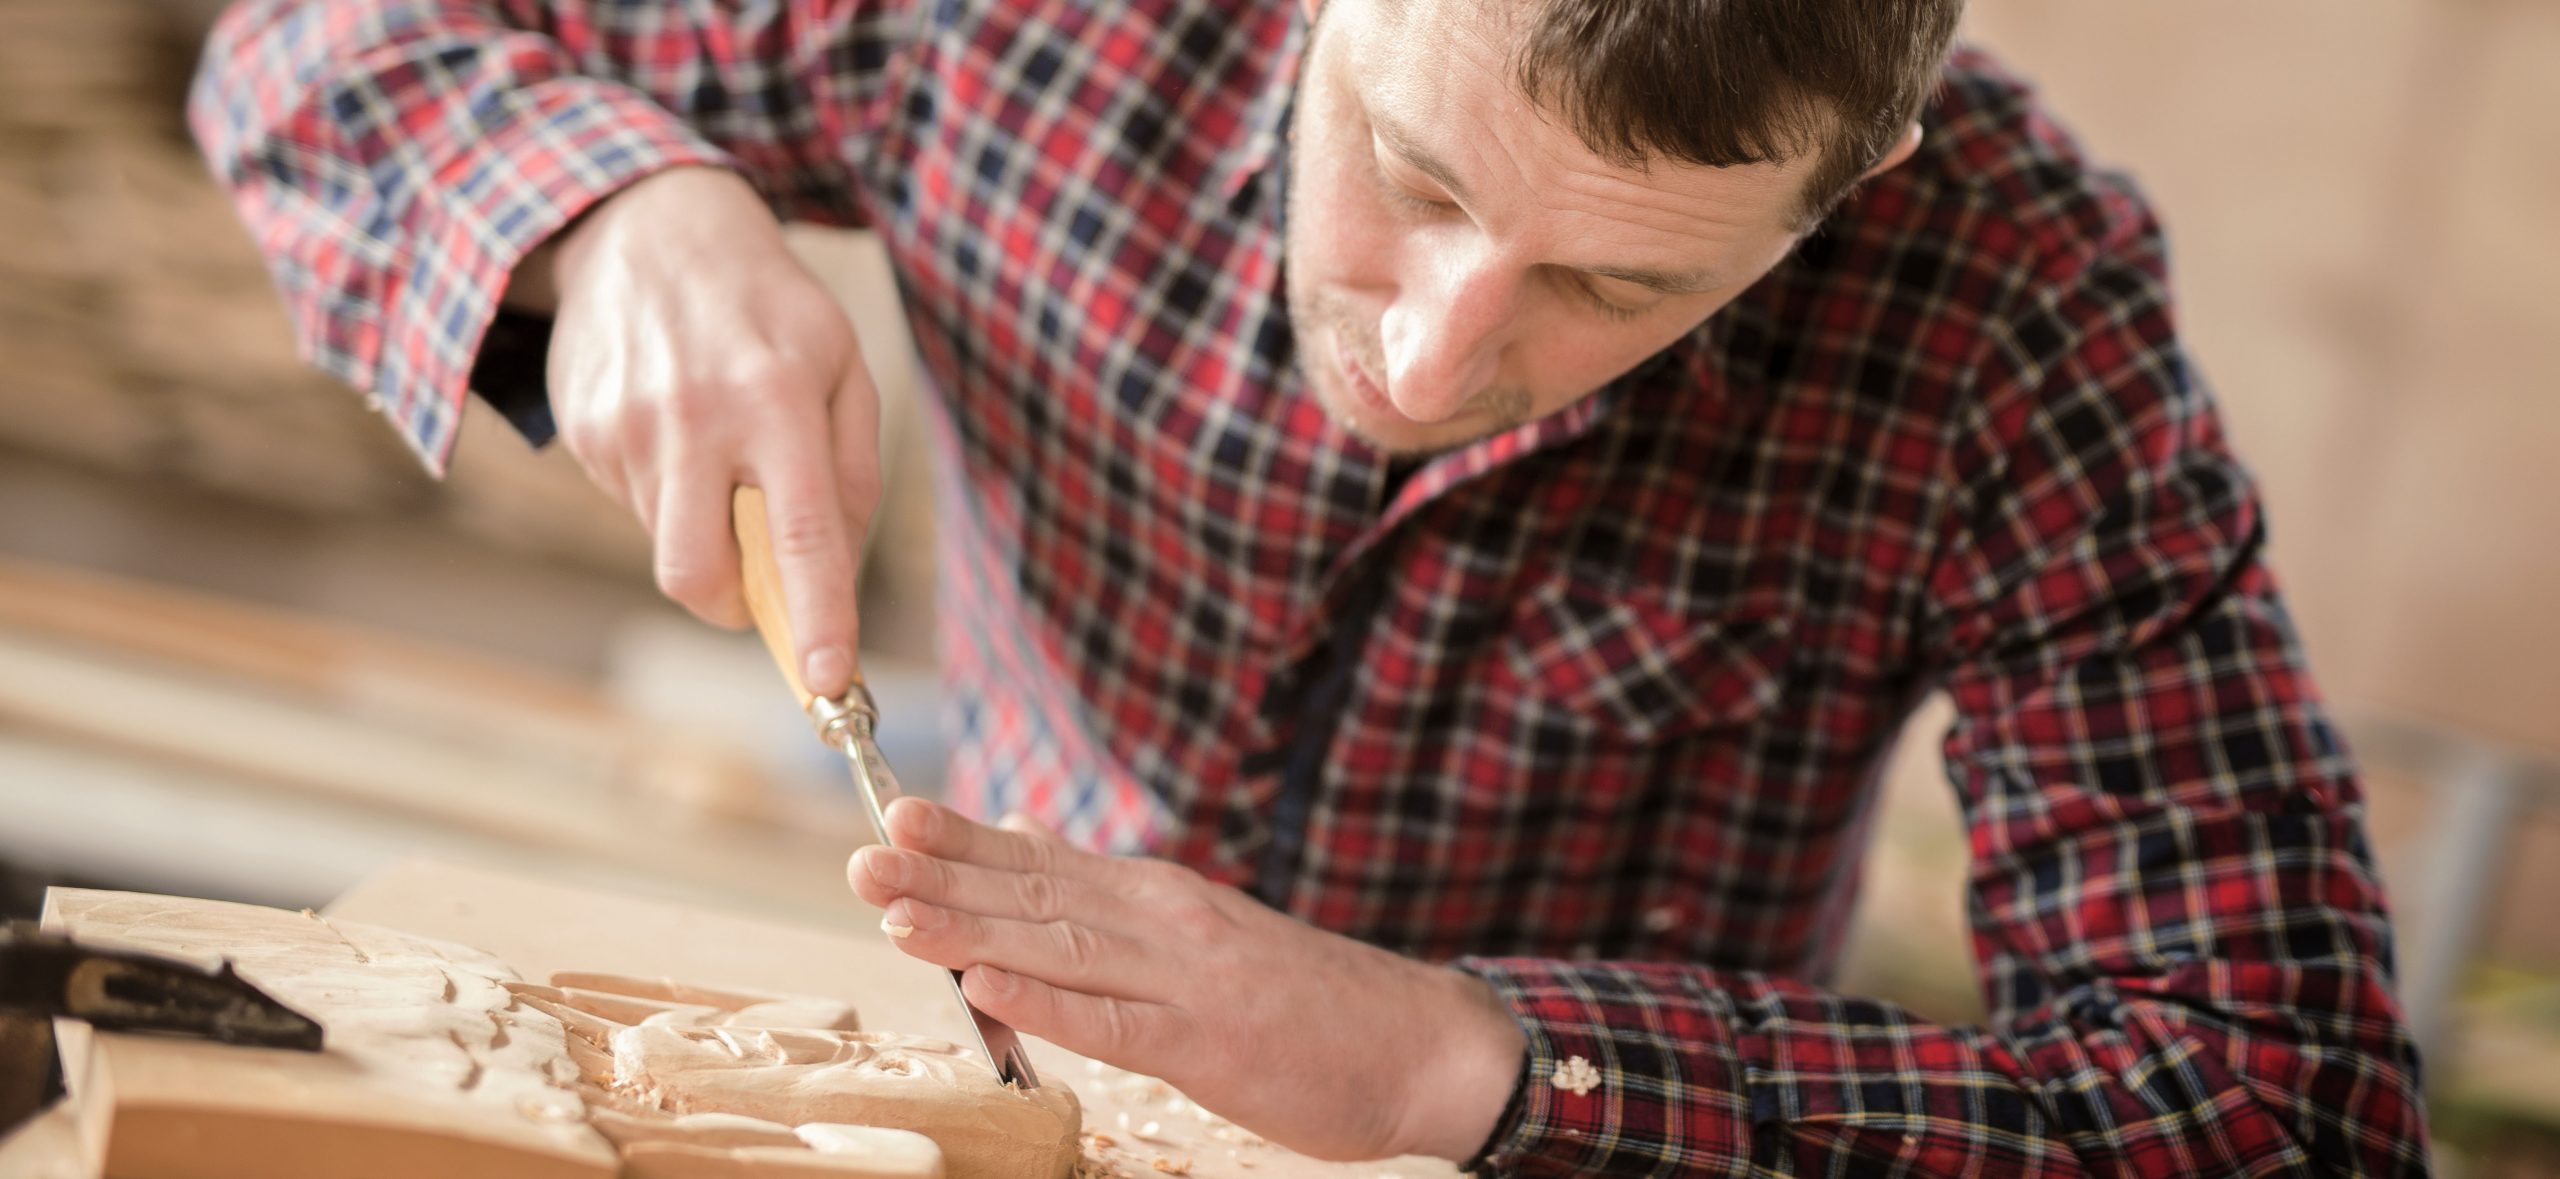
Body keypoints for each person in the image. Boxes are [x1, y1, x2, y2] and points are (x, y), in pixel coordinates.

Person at [192, 0, 2430, 1171]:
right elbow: (319, 32)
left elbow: (2275, 1106)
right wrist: (610, 210)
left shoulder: (2010, 310)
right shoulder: (1018, 14)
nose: (1430, 355)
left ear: (1853, 185)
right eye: (1405, 169)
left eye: (1609, 282)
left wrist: (1471, 1063)